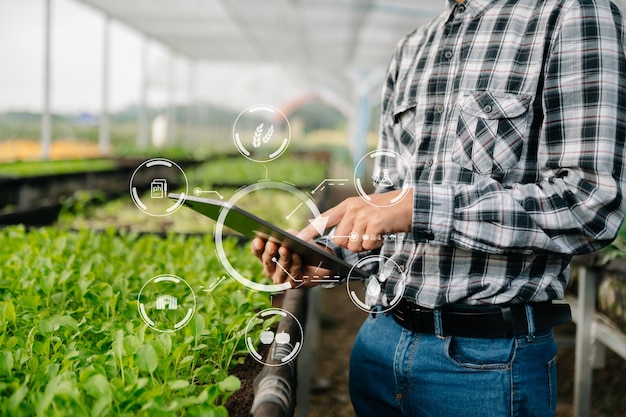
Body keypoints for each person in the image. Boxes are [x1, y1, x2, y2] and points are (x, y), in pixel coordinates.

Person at [252, 0, 626, 414]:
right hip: (380, 343)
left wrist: (416, 206)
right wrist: (333, 258)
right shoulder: (413, 46)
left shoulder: (568, 14)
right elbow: (391, 213)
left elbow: (590, 201)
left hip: (484, 366)